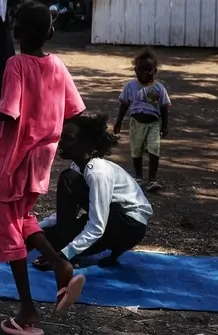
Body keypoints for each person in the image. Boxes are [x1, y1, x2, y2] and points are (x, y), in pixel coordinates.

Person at [0, 1, 86, 335]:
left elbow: (10, 110)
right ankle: (61, 264)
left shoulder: (15, 64)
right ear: (50, 32)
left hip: (15, 159)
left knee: (7, 225)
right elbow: (74, 110)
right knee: (23, 217)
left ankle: (27, 309)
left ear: (16, 32)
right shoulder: (58, 65)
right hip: (42, 159)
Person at [37, 115, 152, 271]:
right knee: (45, 239)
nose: (60, 143)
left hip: (128, 225)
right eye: (61, 137)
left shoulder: (98, 172)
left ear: (87, 144)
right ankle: (68, 249)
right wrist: (36, 229)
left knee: (67, 178)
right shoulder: (77, 167)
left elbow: (97, 226)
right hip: (111, 219)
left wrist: (62, 256)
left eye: (68, 139)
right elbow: (65, 215)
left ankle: (71, 257)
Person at [113, 49, 170, 191]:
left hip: (153, 124)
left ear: (155, 71)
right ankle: (138, 177)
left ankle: (152, 180)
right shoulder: (130, 86)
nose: (145, 73)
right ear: (135, 70)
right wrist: (118, 121)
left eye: (148, 70)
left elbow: (164, 107)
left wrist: (165, 125)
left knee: (154, 150)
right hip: (136, 124)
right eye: (141, 70)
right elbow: (124, 104)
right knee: (136, 151)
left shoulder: (159, 88)